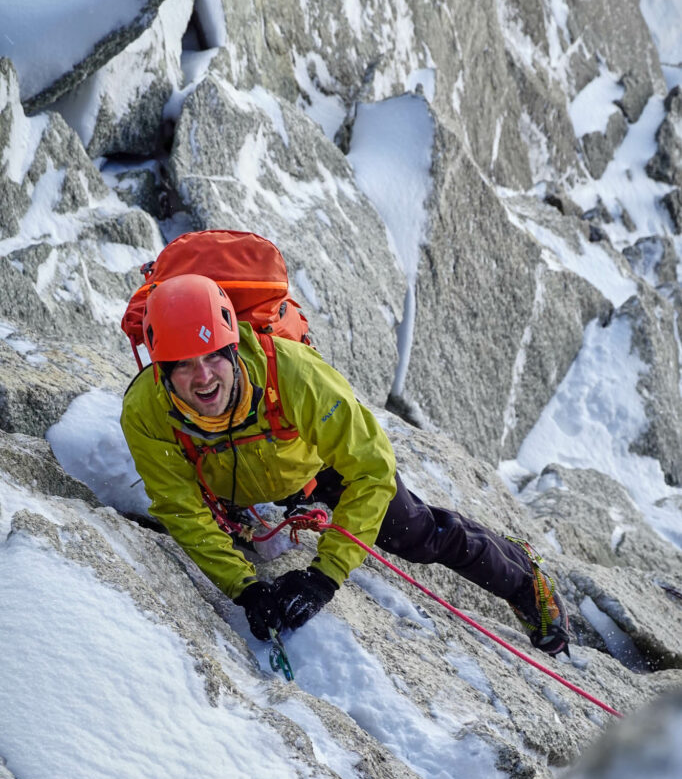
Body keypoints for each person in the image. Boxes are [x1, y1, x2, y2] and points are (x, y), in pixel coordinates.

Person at [120, 273, 569, 656]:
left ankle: (523, 581)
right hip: (228, 485)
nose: (203, 378)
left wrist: (324, 576)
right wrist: (246, 587)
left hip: (316, 469)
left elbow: (371, 470)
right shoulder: (146, 411)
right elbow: (181, 508)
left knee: (413, 532)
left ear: (235, 348)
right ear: (161, 369)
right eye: (183, 365)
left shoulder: (293, 374)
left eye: (214, 355)